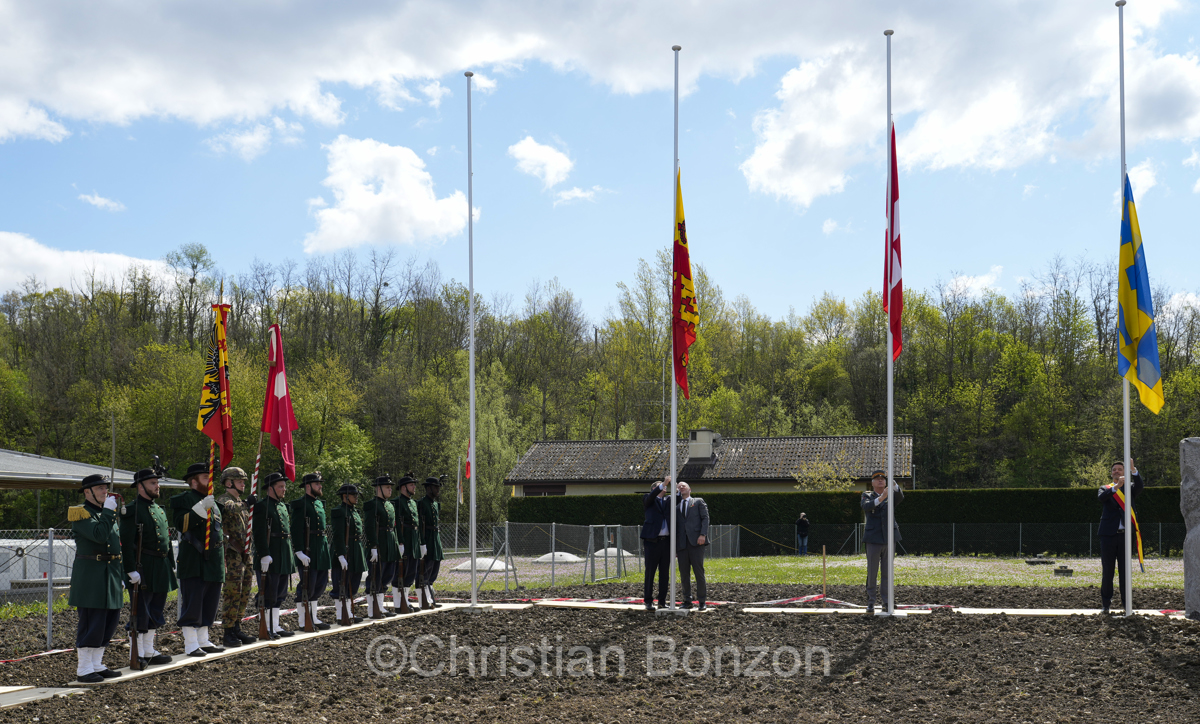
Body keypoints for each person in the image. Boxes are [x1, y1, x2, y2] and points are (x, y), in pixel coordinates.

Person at [67, 474, 125, 683]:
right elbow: (99, 535)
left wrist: (122, 573)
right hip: (91, 576)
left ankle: (97, 664)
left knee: (109, 621)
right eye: (100, 488)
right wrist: (109, 511)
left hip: (110, 573)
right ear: (87, 492)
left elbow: (117, 546)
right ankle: (84, 669)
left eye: (105, 488)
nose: (105, 492)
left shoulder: (105, 512)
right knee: (93, 622)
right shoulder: (81, 513)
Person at [121, 467, 177, 666]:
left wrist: (170, 563)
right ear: (140, 486)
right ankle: (137, 653)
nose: (157, 486)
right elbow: (126, 544)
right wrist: (130, 570)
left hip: (160, 567)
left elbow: (166, 540)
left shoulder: (158, 509)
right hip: (142, 567)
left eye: (157, 482)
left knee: (155, 610)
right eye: (153, 483)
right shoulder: (132, 510)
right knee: (140, 611)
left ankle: (148, 650)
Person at [170, 463, 226, 656]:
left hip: (214, 561)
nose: (209, 481)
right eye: (205, 478)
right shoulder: (184, 499)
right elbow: (181, 524)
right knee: (193, 603)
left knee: (210, 603)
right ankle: (191, 643)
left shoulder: (214, 502)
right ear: (193, 482)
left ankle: (203, 639)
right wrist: (201, 508)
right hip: (195, 559)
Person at [216, 466, 256, 648]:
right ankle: (228, 630)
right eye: (240, 481)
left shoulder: (241, 503)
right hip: (232, 553)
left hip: (245, 554)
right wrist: (247, 503)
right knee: (232, 592)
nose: (243, 484)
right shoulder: (224, 500)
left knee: (244, 591)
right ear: (229, 482)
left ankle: (237, 624)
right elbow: (229, 510)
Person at [253, 471, 296, 638]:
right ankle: (266, 625)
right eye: (280, 486)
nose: (284, 489)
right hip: (270, 554)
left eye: (284, 486)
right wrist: (263, 553)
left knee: (280, 592)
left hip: (283, 554)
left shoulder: (283, 506)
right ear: (270, 488)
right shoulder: (262, 506)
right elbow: (258, 532)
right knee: (268, 592)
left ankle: (275, 625)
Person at [1098, 458, 1144, 614]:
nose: (1116, 471)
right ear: (1111, 474)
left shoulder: (1130, 488)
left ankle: (1127, 605)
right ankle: (1106, 604)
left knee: (1125, 573)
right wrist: (1116, 487)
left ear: (1124, 472)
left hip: (1126, 536)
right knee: (1108, 572)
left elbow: (1139, 486)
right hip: (1108, 536)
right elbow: (1102, 497)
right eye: (1114, 470)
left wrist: (1133, 470)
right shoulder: (1106, 488)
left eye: (1119, 469)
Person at [291, 471, 332, 630]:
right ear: (308, 486)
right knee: (307, 585)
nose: (320, 486)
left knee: (320, 585)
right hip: (308, 548)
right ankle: (303, 621)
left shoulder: (319, 503)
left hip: (320, 548)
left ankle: (313, 617)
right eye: (317, 484)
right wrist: (299, 551)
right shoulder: (301, 504)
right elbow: (295, 528)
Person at [862, 469, 903, 615]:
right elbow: (866, 506)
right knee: (872, 572)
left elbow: (900, 497)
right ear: (872, 483)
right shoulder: (867, 495)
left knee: (887, 572)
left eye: (883, 478)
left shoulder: (891, 495)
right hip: (873, 540)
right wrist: (881, 498)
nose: (880, 480)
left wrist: (893, 484)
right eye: (877, 478)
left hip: (889, 538)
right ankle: (871, 603)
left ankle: (886, 602)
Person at [363, 474, 400, 616]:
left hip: (390, 544)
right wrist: (373, 546)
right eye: (387, 487)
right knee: (375, 576)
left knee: (388, 575)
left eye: (391, 487)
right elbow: (370, 527)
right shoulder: (372, 505)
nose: (390, 490)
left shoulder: (390, 505)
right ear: (378, 488)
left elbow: (393, 526)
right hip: (379, 544)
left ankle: (380, 606)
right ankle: (373, 609)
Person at [329, 483, 366, 624]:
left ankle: (349, 612)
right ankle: (340, 614)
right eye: (354, 495)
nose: (356, 497)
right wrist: (340, 554)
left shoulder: (354, 511)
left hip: (355, 549)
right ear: (345, 497)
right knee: (341, 583)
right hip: (344, 549)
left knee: (354, 582)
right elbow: (338, 535)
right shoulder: (339, 511)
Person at [673, 482, 709, 611]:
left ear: (690, 489)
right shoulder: (676, 506)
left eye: (684, 485)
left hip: (696, 542)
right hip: (682, 544)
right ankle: (687, 600)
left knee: (699, 572)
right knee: (684, 574)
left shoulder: (698, 501)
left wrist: (702, 534)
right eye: (679, 486)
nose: (681, 487)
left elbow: (705, 518)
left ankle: (702, 601)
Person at [640, 476, 672, 611]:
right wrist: (662, 483)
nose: (665, 487)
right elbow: (650, 497)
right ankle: (648, 600)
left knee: (664, 573)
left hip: (666, 543)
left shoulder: (668, 501)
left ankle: (662, 601)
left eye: (665, 486)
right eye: (661, 486)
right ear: (655, 488)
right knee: (650, 572)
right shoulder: (649, 499)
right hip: (652, 542)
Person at [394, 475, 424, 612]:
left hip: (414, 541)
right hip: (405, 539)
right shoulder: (397, 502)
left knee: (411, 572)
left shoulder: (413, 503)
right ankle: (397, 604)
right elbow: (397, 525)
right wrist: (400, 542)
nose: (414, 487)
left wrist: (420, 544)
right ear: (403, 487)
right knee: (400, 572)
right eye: (411, 485)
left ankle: (405, 601)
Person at [417, 476, 445, 609]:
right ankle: (426, 599)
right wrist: (422, 542)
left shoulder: (435, 504)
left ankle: (430, 596)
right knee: (426, 568)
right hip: (427, 537)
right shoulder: (422, 503)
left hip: (435, 537)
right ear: (428, 488)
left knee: (435, 565)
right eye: (435, 487)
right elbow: (421, 524)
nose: (438, 490)